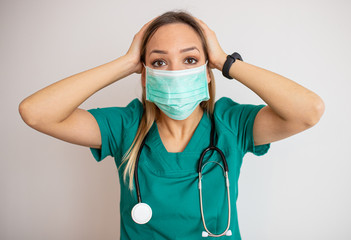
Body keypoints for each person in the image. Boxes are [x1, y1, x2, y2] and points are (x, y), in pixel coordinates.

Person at [19, 10, 324, 240]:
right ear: (145, 74)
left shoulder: (231, 123)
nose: (175, 71)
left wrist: (224, 60)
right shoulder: (125, 126)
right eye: (159, 62)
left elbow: (308, 111)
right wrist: (126, 63)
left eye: (190, 60)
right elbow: (35, 112)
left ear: (207, 71)